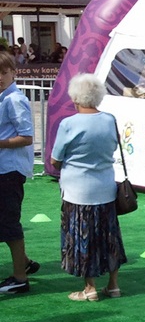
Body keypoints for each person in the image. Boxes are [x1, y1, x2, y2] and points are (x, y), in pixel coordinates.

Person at [50, 74, 127, 301]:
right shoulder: (110, 120)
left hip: (77, 190)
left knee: (83, 238)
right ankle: (113, 285)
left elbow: (55, 159)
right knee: (109, 237)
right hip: (105, 187)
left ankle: (90, 287)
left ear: (75, 97)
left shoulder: (68, 124)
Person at [0, 50, 38, 295]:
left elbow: (26, 138)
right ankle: (22, 263)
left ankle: (20, 277)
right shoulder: (5, 98)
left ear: (14, 72)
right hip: (5, 168)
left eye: (4, 72)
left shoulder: (14, 99)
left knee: (9, 222)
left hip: (10, 170)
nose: (0, 77)